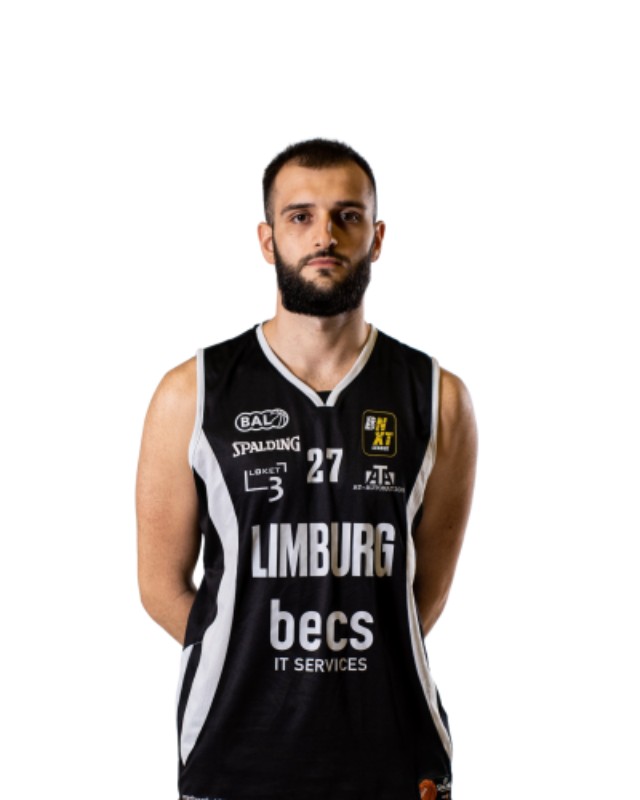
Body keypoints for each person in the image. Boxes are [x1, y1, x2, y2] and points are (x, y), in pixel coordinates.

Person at [136, 138, 478, 800]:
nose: (325, 235)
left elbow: (423, 595)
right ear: (268, 240)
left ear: (377, 238)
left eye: (347, 216)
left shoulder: (439, 398)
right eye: (301, 216)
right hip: (235, 752)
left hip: (394, 751)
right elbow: (159, 585)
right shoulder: (192, 393)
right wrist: (255, 657)